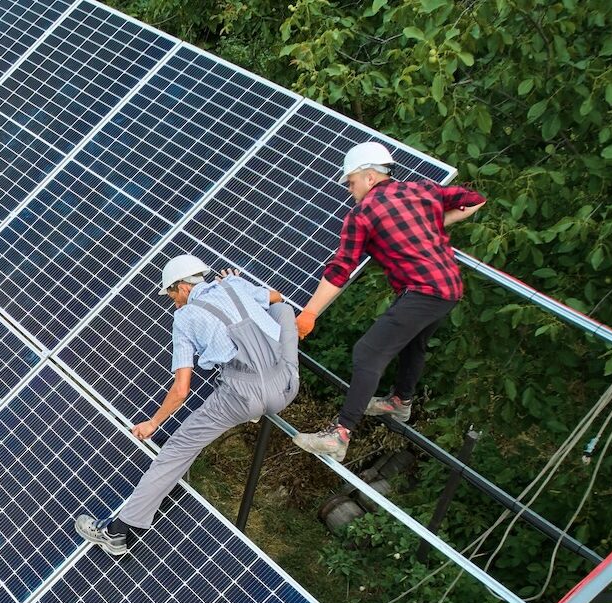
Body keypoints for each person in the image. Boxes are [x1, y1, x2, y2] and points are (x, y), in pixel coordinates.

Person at [75, 254, 299, 556]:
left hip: (241, 398)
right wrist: (236, 284)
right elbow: (276, 298)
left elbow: (181, 390)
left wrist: (153, 422)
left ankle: (117, 533)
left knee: (176, 450)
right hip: (286, 384)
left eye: (170, 294)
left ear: (182, 287)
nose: (172, 302)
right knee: (283, 311)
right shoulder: (233, 284)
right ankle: (261, 400)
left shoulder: (184, 318)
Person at [291, 141, 486, 462]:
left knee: (367, 352)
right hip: (449, 287)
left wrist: (310, 313)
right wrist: (437, 222)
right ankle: (401, 401)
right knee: (414, 344)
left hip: (422, 290)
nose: (350, 191)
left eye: (351, 182)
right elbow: (474, 199)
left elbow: (341, 269)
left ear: (369, 177)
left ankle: (340, 434)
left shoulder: (363, 213)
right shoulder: (421, 190)